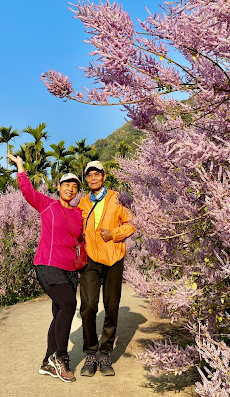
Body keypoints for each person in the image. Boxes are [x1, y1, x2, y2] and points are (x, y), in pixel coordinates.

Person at [7, 153, 83, 383]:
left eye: (74, 186)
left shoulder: (79, 213)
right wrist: (21, 167)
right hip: (48, 264)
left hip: (70, 269)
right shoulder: (47, 205)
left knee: (60, 312)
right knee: (69, 304)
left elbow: (83, 240)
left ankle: (47, 361)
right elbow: (27, 191)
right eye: (66, 184)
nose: (70, 188)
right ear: (58, 187)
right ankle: (60, 358)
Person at [78, 160, 135, 377]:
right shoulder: (82, 202)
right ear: (86, 179)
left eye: (97, 174)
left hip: (113, 257)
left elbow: (131, 223)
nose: (93, 177)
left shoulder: (117, 198)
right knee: (89, 306)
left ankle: (105, 353)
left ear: (103, 176)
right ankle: (91, 353)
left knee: (111, 307)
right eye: (89, 175)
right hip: (91, 259)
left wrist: (115, 234)